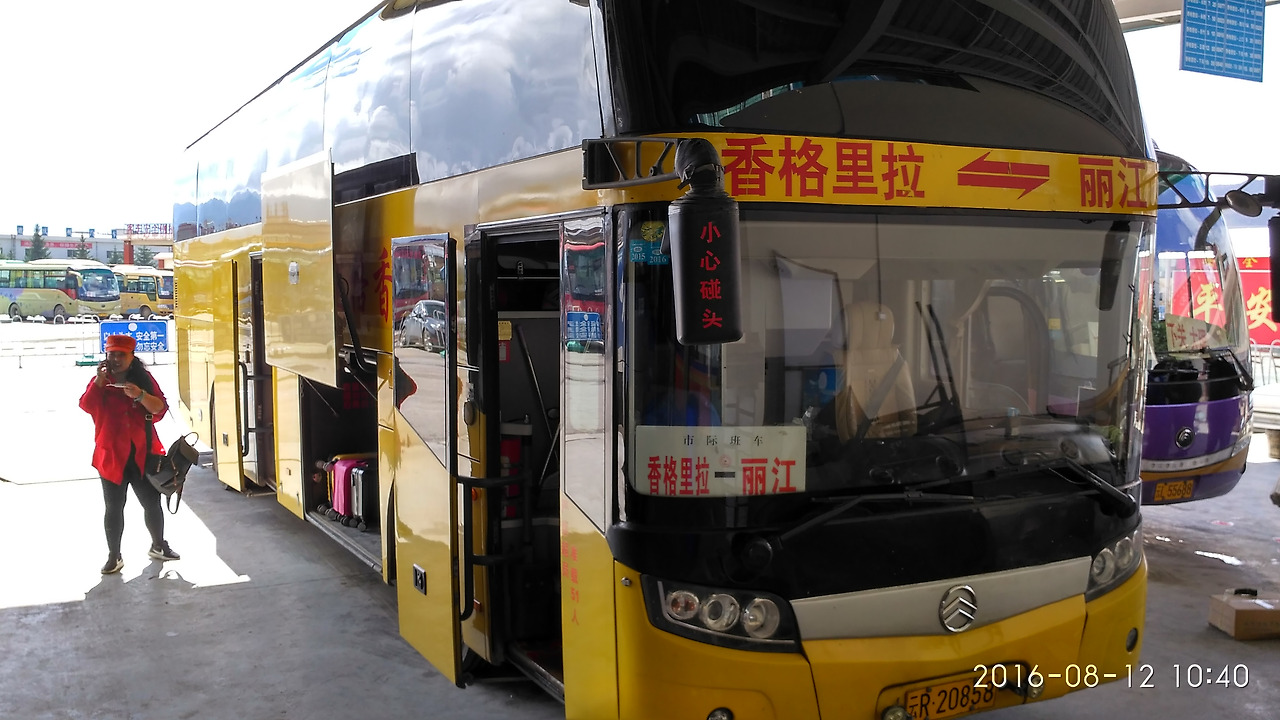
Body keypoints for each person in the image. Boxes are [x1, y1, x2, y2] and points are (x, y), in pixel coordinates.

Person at [79, 334, 180, 574]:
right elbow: (86, 406)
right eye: (111, 354)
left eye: (121, 354)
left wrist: (140, 395)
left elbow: (160, 409)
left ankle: (158, 545)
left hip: (143, 454)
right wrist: (99, 381)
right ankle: (114, 556)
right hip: (111, 455)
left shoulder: (144, 379)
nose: (115, 359)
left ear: (132, 356)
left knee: (151, 503)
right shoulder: (101, 382)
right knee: (114, 507)